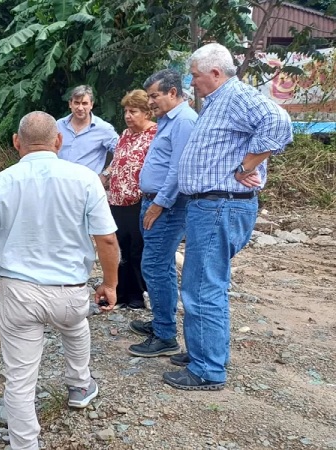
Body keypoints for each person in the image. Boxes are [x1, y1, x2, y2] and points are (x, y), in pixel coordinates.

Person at [0, 111, 120, 449]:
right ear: (59, 141)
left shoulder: (0, 183)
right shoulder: (85, 179)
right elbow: (106, 239)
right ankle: (80, 385)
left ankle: (26, 445)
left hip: (19, 295)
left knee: (19, 381)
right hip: (70, 291)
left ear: (16, 143)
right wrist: (110, 284)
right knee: (75, 324)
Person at [163, 43, 292, 391]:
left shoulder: (235, 96)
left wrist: (247, 165)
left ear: (216, 73)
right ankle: (201, 353)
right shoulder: (220, 101)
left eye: (195, 75)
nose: (192, 82)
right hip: (211, 206)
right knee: (197, 283)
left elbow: (278, 121)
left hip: (220, 204)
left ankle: (208, 369)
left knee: (204, 287)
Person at [127, 69, 198, 359]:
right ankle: (161, 322)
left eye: (155, 96)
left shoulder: (184, 122)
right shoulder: (168, 122)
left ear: (172, 92)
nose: (151, 102)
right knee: (158, 265)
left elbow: (179, 170)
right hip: (155, 202)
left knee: (154, 266)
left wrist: (159, 204)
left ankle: (166, 335)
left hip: (166, 207)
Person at [100, 90, 156, 309]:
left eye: (133, 111)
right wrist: (103, 177)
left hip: (139, 201)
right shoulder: (125, 134)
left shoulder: (155, 135)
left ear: (146, 112)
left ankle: (138, 293)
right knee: (118, 246)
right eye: (126, 111)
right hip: (116, 200)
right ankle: (120, 291)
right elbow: (116, 162)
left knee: (137, 249)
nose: (128, 115)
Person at [57, 85, 119, 174]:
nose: (80, 108)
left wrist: (106, 173)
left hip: (88, 185)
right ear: (70, 104)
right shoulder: (59, 125)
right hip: (59, 183)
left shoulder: (103, 129)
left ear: (91, 105)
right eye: (77, 103)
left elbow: (122, 151)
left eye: (84, 103)